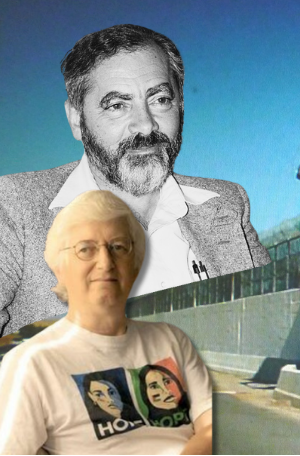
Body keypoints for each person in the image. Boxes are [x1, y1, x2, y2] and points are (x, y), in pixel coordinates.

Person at [0, 24, 271, 337]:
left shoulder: (227, 204)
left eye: (159, 100)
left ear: (180, 105)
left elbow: (270, 326)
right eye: (118, 105)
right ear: (77, 119)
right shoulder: (16, 208)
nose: (145, 125)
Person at [0, 190, 212, 454]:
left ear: (135, 263)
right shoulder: (30, 364)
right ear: (59, 266)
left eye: (119, 247)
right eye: (85, 249)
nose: (105, 262)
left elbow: (209, 425)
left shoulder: (172, 340)